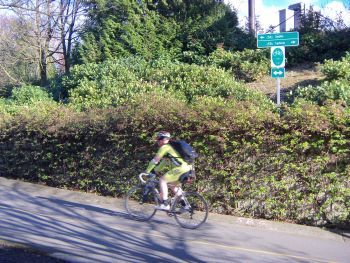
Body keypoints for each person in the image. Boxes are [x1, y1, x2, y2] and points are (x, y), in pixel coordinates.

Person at [145, 131, 192, 210]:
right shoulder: (171, 148)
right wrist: (154, 171)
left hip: (181, 168)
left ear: (161, 140)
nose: (157, 142)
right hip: (188, 168)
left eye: (157, 139)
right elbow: (164, 163)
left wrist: (147, 171)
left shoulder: (165, 147)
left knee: (162, 180)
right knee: (173, 186)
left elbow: (155, 160)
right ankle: (185, 205)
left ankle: (165, 203)